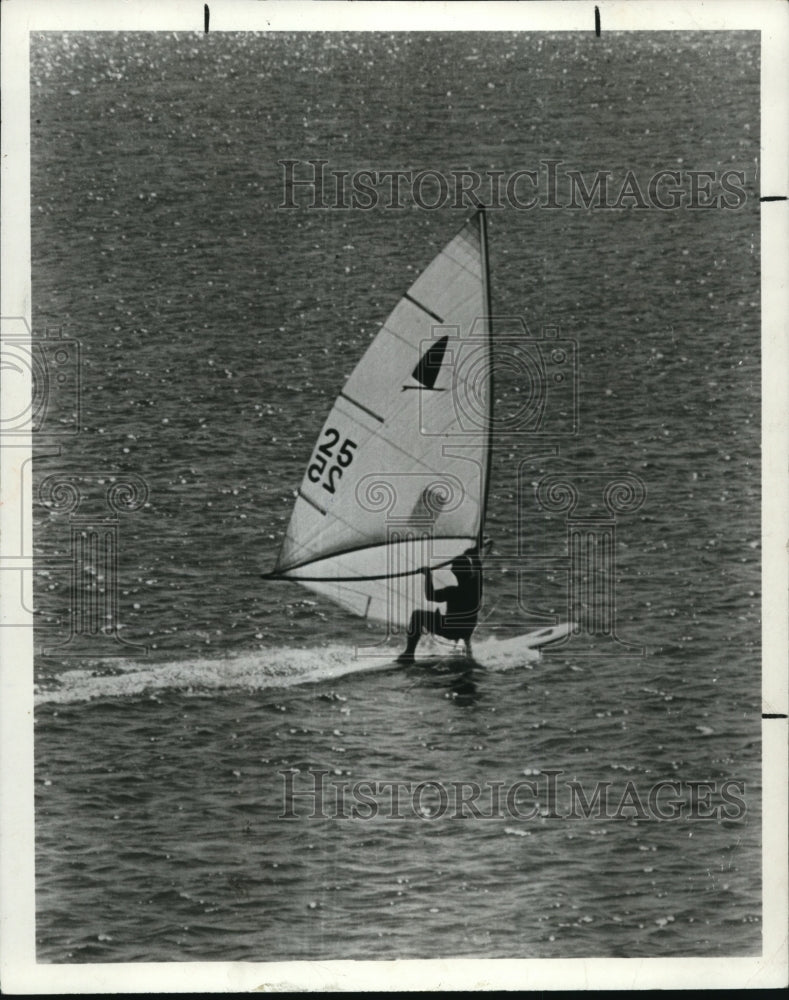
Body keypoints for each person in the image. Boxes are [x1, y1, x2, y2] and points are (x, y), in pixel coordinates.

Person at [396, 538, 489, 663]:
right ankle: (467, 649)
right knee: (459, 623)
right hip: (466, 630)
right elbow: (478, 568)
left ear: (454, 572)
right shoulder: (475, 587)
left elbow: (430, 596)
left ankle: (409, 654)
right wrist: (474, 551)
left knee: (417, 615)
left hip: (451, 630)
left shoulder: (453, 591)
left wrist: (428, 575)